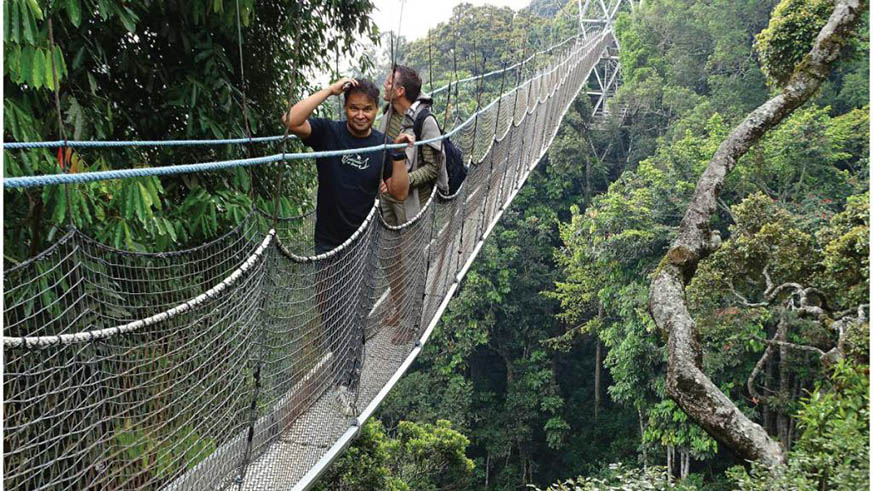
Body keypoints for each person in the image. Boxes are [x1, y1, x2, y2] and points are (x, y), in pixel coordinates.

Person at [283, 77, 413, 411]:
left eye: (367, 109)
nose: (360, 115)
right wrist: (328, 90)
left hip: (363, 240)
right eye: (354, 108)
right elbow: (291, 121)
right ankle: (343, 372)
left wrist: (397, 154)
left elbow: (398, 191)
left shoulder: (382, 144)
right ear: (345, 108)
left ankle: (346, 383)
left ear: (375, 110)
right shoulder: (329, 133)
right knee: (328, 307)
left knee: (353, 312)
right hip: (327, 238)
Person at [378, 66, 448, 344]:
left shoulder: (425, 120)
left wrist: (404, 181)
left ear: (400, 91)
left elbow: (433, 167)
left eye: (388, 81)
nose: (383, 85)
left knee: (411, 261)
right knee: (388, 256)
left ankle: (409, 322)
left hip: (412, 202)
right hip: (385, 197)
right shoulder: (388, 114)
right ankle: (398, 307)